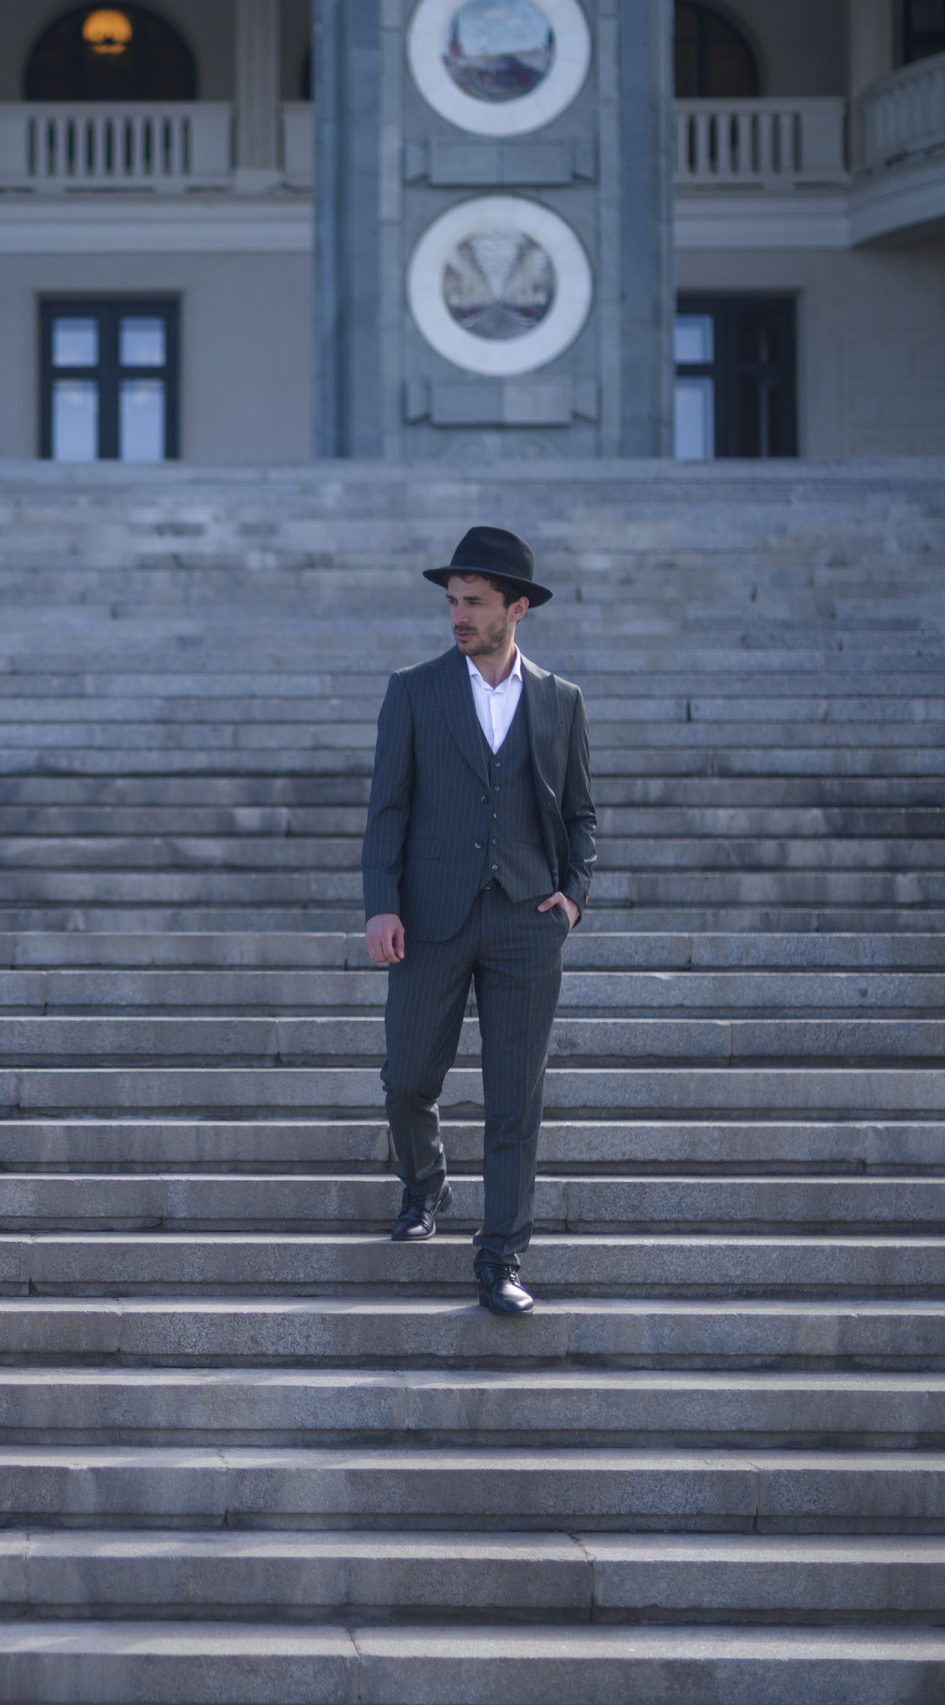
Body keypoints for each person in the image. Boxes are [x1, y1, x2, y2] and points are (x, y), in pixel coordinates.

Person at [360, 527, 596, 1315]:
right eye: (452, 600)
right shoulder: (415, 690)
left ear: (516, 609)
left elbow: (583, 814)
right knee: (406, 1077)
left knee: (514, 1098)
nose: (458, 614)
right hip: (430, 917)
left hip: (527, 922)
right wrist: (381, 903)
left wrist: (573, 894)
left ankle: (501, 1258)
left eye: (475, 602)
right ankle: (425, 1183)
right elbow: (387, 809)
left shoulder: (561, 702)